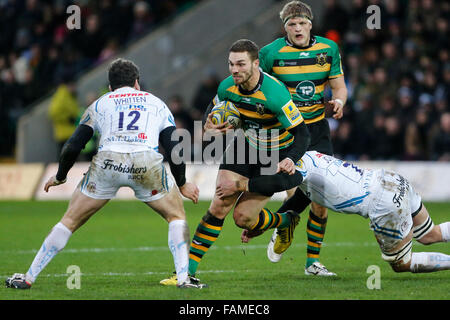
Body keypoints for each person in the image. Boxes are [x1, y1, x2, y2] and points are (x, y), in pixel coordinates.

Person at [5, 58, 206, 289]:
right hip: (145, 162)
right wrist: (182, 183)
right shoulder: (157, 103)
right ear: (137, 83)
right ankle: (183, 279)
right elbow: (174, 147)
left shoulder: (100, 104)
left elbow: (73, 145)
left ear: (111, 87)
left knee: (69, 221)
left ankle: (28, 277)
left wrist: (61, 175)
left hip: (108, 162)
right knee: (176, 216)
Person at [160, 39, 311, 285]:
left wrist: (290, 159)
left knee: (243, 218)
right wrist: (209, 123)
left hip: (274, 154)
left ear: (255, 63)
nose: (234, 70)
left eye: (241, 64)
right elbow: (213, 109)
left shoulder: (275, 94)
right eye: (231, 64)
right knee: (219, 204)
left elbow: (303, 134)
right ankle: (186, 273)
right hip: (245, 147)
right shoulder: (227, 86)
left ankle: (285, 219)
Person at [217, 151, 450, 274]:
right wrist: (263, 227)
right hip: (391, 179)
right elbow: (298, 202)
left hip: (382, 202)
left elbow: (276, 186)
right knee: (430, 235)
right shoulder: (310, 158)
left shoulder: (296, 165)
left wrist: (239, 186)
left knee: (402, 264)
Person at [258, 0, 348, 276]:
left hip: (318, 128)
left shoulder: (328, 49)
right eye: (291, 24)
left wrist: (340, 102)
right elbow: (259, 90)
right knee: (297, 191)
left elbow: (339, 87)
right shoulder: (269, 53)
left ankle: (312, 263)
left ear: (311, 24)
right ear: (284, 27)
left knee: (320, 197)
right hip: (288, 130)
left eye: (302, 23)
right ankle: (285, 225)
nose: (297, 28)